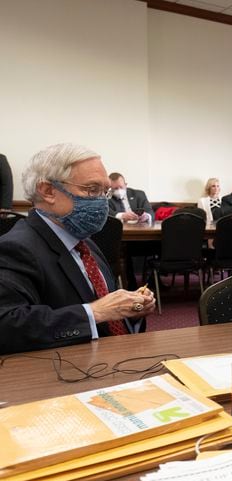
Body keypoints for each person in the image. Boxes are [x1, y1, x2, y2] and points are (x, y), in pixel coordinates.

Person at [0, 143, 155, 355]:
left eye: (105, 191)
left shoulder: (85, 242)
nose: (101, 201)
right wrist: (94, 312)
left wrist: (131, 310)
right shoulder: (15, 247)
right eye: (92, 190)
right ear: (48, 191)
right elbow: (7, 325)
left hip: (112, 363)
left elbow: (107, 313)